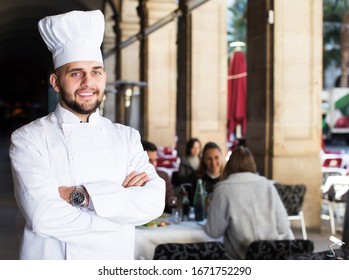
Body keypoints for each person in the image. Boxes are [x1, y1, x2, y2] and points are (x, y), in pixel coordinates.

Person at [8, 10, 165, 260]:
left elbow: (154, 202)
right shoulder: (28, 138)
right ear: (55, 82)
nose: (87, 82)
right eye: (75, 73)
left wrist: (80, 196)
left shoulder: (127, 137)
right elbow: (43, 216)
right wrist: (120, 219)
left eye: (96, 71)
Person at [204, 146, 294, 259]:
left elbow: (213, 232)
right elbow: (283, 226)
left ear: (229, 164)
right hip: (271, 258)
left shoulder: (223, 189)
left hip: (240, 260)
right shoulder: (267, 185)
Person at [184, 141, 224, 205]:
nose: (213, 163)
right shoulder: (194, 178)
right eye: (209, 159)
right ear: (203, 160)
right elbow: (188, 203)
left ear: (221, 157)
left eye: (216, 158)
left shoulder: (227, 178)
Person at [141, 140, 175, 213]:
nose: (154, 164)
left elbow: (170, 201)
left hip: (161, 218)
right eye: (150, 160)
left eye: (155, 160)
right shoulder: (132, 177)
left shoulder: (163, 176)